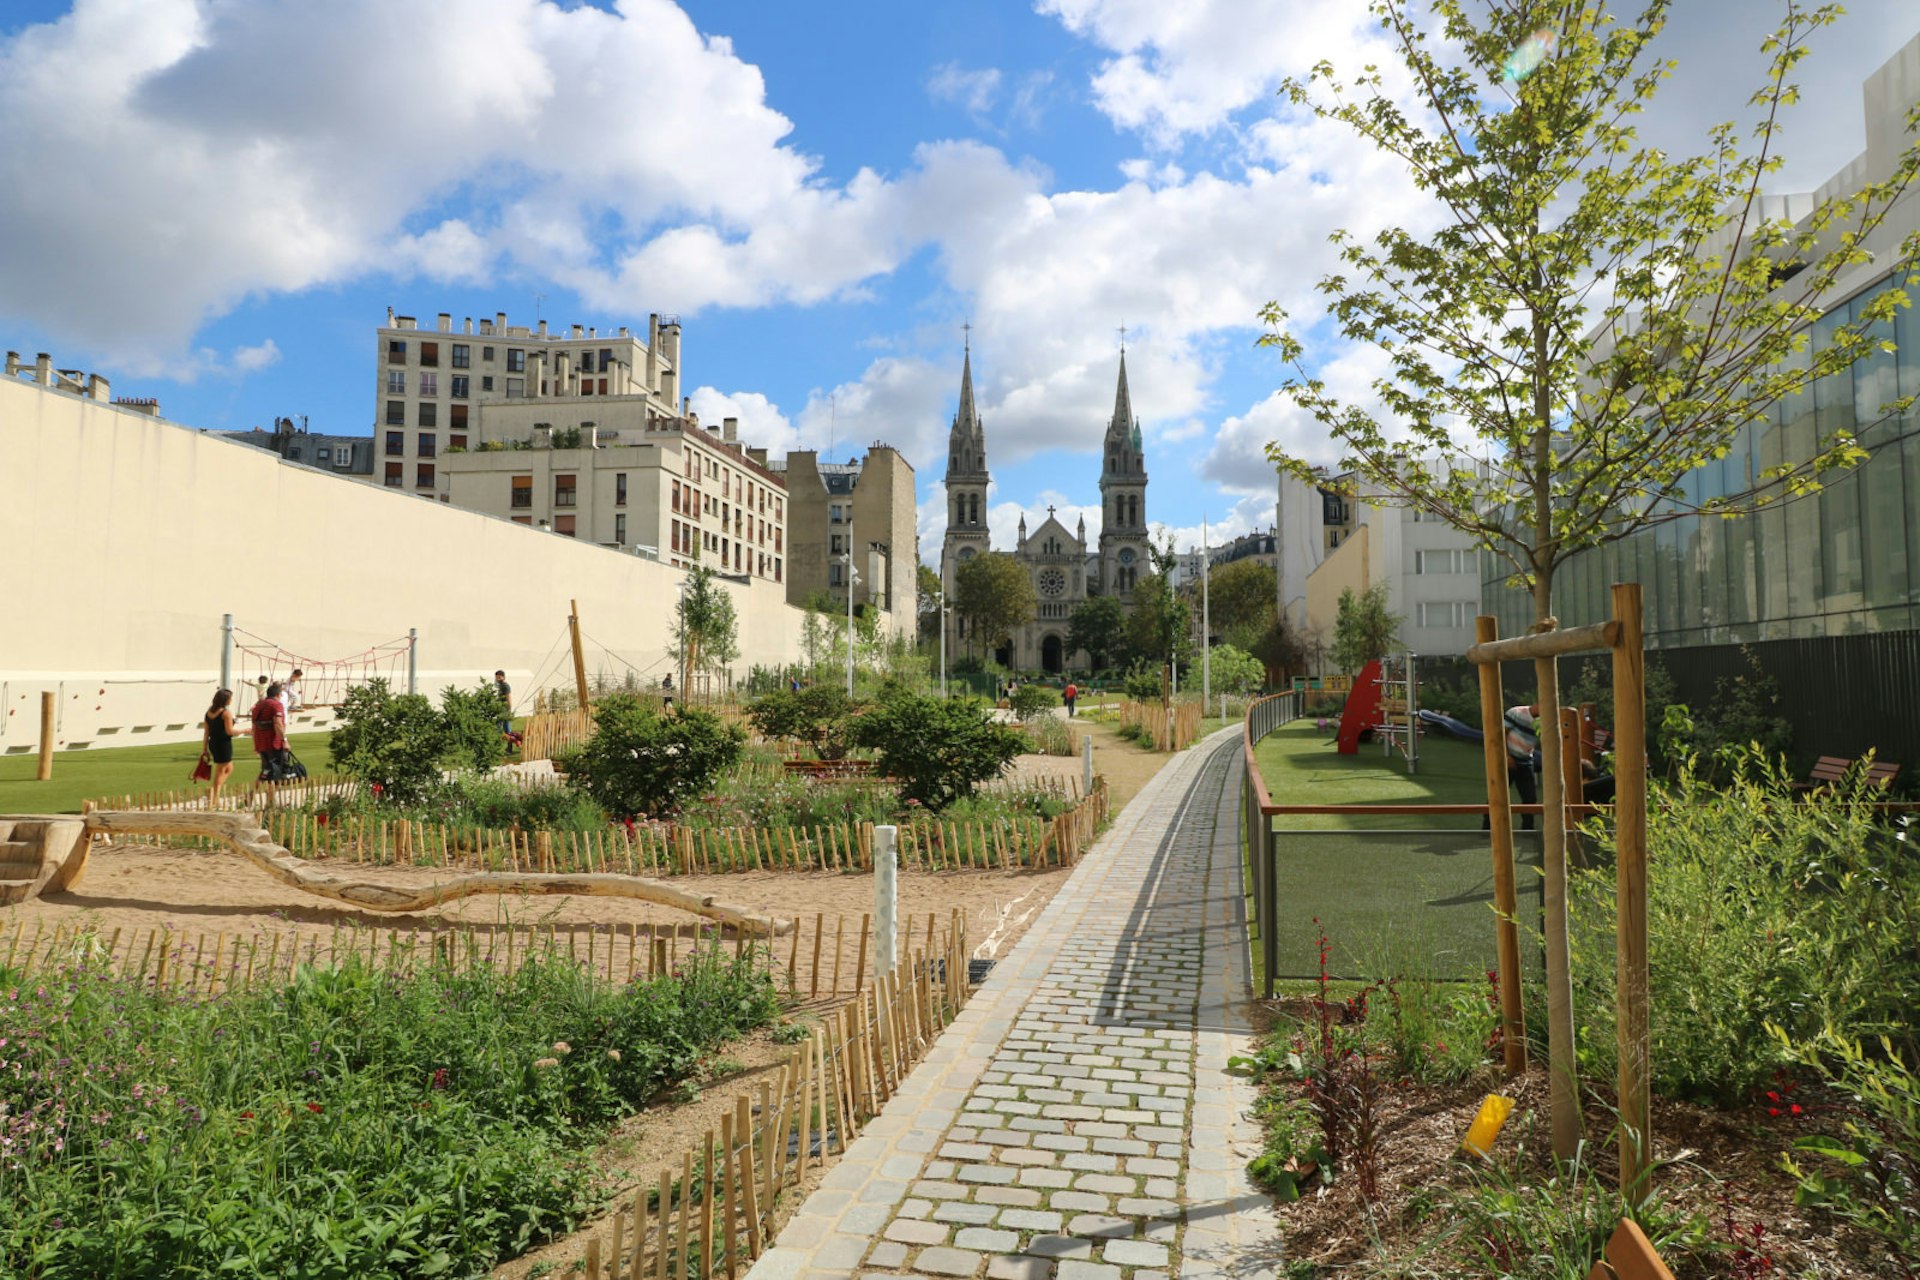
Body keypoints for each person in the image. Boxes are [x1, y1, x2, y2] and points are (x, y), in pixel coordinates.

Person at [1501, 704, 1542, 830]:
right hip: (1508, 760)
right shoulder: (1516, 713)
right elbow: (1501, 734)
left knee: (1530, 799)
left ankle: (1528, 830)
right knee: (1498, 795)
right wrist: (1505, 757)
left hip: (1526, 761)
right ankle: (1487, 829)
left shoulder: (1544, 721)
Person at [200, 688, 243, 808]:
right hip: (223, 744)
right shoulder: (226, 713)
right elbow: (230, 731)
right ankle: (213, 797)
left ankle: (214, 793)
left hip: (213, 743)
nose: (231, 700)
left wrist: (204, 749)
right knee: (221, 771)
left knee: (228, 768)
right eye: (230, 698)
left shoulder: (209, 712)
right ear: (225, 700)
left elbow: (206, 733)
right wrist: (245, 730)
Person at [248, 681, 290, 800]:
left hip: (261, 741)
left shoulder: (258, 705)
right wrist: (284, 740)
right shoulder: (277, 705)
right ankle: (271, 799)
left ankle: (252, 793)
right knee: (276, 770)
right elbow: (278, 724)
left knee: (266, 769)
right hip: (273, 742)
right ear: (278, 695)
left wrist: (255, 744)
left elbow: (254, 726)